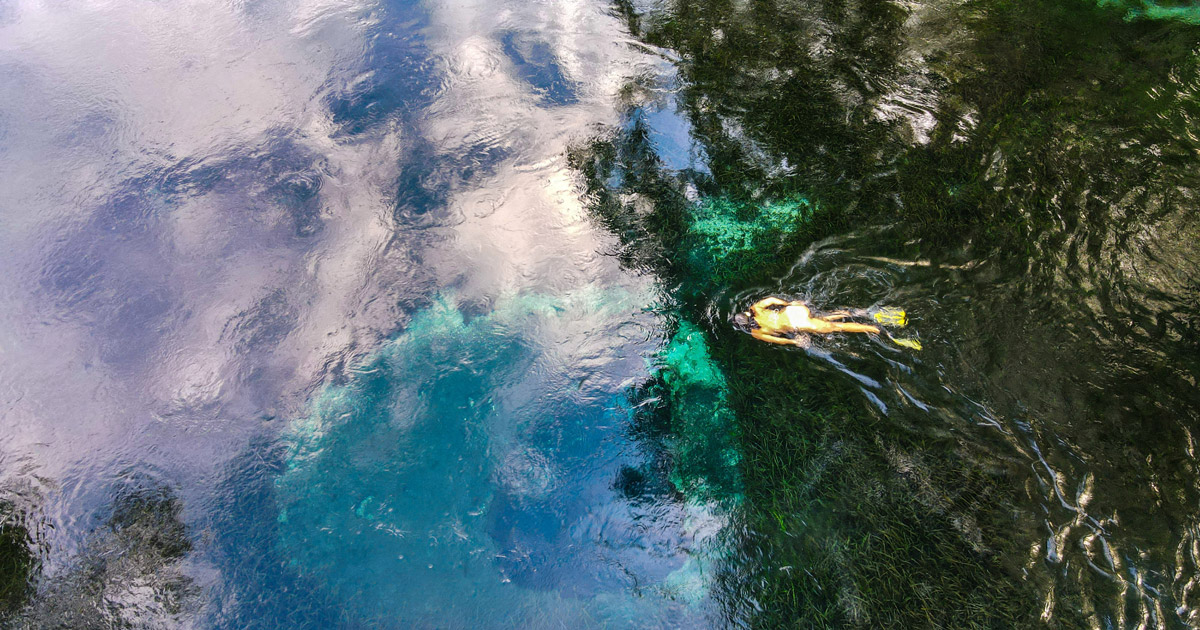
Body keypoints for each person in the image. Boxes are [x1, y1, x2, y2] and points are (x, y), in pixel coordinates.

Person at [734, 296, 920, 349]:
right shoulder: (755, 308)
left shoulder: (756, 333)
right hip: (795, 311)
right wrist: (790, 303)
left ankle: (879, 330)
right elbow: (772, 299)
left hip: (800, 324)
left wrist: (795, 342)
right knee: (828, 316)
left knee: (839, 327)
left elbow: (780, 341)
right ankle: (867, 313)